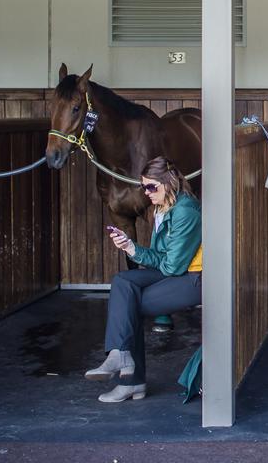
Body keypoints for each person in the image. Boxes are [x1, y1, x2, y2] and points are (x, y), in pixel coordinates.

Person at [84, 156, 203, 402]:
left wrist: (136, 251)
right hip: (175, 270)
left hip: (195, 279)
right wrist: (130, 247)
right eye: (144, 186)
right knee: (121, 282)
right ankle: (120, 355)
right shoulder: (163, 207)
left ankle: (130, 381)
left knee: (128, 306)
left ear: (168, 182)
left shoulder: (185, 211)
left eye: (151, 187)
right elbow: (164, 258)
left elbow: (172, 266)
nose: (146, 193)